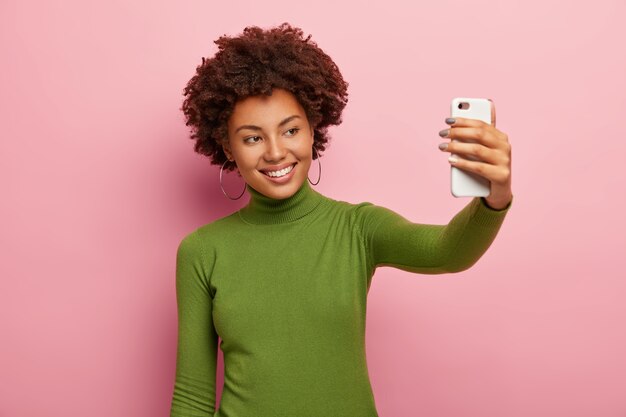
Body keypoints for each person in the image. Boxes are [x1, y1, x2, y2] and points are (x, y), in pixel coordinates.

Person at [170, 23, 512, 417]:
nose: (276, 152)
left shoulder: (357, 229)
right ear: (228, 147)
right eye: (252, 138)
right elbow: (192, 398)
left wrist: (495, 195)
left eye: (291, 130)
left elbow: (450, 251)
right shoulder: (201, 251)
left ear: (314, 129)